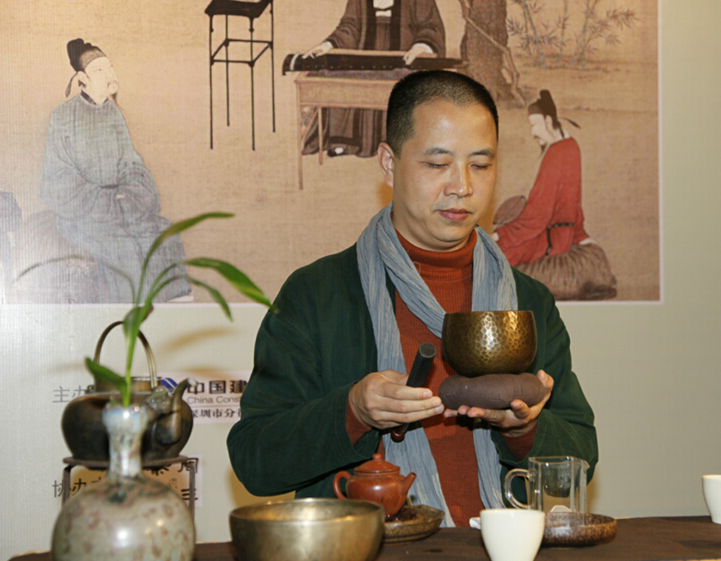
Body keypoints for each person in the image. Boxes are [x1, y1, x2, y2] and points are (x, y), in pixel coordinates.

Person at [227, 71, 598, 527]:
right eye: (437, 164)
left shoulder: (526, 301)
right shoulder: (318, 294)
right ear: (389, 163)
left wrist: (526, 428)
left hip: (502, 549)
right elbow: (254, 458)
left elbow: (582, 455)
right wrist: (352, 411)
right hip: (369, 554)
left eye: (480, 165)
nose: (461, 186)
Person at [40, 39, 190, 303]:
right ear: (82, 79)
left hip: (122, 207)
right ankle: (131, 318)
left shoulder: (114, 115)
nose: (109, 74)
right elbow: (58, 177)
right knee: (122, 247)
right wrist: (107, 201)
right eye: (99, 70)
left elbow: (131, 164)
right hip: (85, 213)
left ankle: (171, 314)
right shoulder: (63, 117)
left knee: (165, 234)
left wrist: (131, 194)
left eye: (110, 67)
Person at [493, 90, 616, 300]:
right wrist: (580, 235)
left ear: (548, 121)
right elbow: (573, 204)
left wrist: (502, 235)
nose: (533, 132)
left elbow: (538, 215)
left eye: (534, 125)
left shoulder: (555, 153)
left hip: (552, 238)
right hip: (563, 234)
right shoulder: (571, 146)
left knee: (496, 255)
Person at [300, 0, 446, 158]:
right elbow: (349, 27)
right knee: (337, 77)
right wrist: (327, 45)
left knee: (409, 85)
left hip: (405, 59)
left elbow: (430, 27)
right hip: (364, 59)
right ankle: (346, 142)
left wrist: (420, 47)